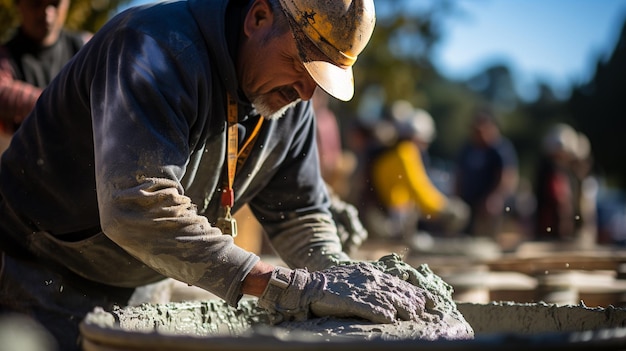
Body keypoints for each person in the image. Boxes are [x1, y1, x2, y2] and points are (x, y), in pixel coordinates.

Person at [0, 0, 434, 350]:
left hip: (142, 281)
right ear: (258, 17)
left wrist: (340, 277)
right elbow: (136, 205)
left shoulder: (289, 102)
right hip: (39, 271)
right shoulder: (156, 49)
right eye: (303, 63)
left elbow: (299, 213)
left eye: (321, 78)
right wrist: (287, 287)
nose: (307, 92)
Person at [367, 100, 469, 242]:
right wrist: (444, 208)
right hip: (387, 224)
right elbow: (419, 189)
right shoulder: (406, 153)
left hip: (382, 219)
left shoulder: (391, 154)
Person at [0, 0, 91, 152]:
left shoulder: (86, 48)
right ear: (18, 4)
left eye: (55, 4)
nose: (46, 13)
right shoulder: (5, 58)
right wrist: (55, 105)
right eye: (35, 4)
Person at [453, 107, 519, 238]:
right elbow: (459, 174)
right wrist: (456, 198)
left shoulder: (501, 149)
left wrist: (495, 197)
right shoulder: (468, 148)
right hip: (469, 204)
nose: (477, 133)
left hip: (491, 207)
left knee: (488, 240)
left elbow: (508, 176)